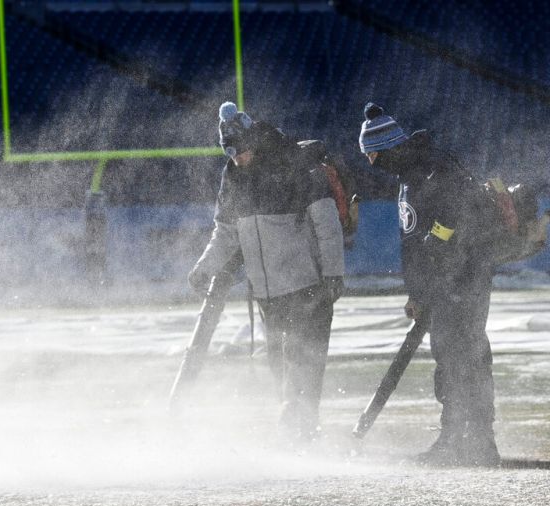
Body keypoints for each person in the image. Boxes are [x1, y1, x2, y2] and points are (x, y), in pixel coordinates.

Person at [188, 102, 345, 445]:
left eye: (242, 151)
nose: (238, 158)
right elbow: (226, 232)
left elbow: (325, 220)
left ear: (254, 141)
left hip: (307, 284)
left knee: (303, 362)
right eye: (230, 152)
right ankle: (297, 431)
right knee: (280, 366)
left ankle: (301, 431)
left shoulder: (292, 163)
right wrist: (205, 267)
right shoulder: (232, 175)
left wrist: (333, 271)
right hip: (268, 294)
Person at [358, 102, 500, 467]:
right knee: (451, 358)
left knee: (464, 356)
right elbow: (413, 239)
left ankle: (474, 442)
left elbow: (454, 217)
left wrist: (439, 246)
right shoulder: (409, 177)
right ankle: (460, 438)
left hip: (462, 279)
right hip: (440, 284)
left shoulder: (436, 168)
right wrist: (417, 292)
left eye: (372, 154)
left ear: (388, 146)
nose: (371, 163)